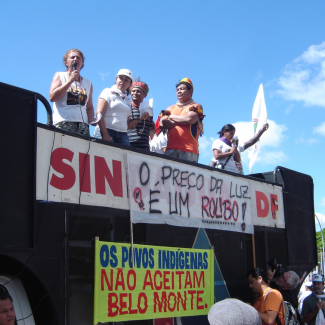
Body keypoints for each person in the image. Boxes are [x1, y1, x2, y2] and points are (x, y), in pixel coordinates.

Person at [50, 49, 95, 136]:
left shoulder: (88, 83)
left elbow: (89, 107)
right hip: (63, 122)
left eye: (78, 58)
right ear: (66, 62)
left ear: (82, 63)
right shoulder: (60, 76)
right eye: (72, 57)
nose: (75, 59)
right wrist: (70, 81)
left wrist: (91, 119)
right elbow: (52, 97)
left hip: (82, 125)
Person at [159, 78, 204, 163]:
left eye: (182, 89)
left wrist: (171, 117)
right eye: (177, 90)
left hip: (189, 150)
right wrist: (182, 120)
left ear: (190, 91)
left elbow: (189, 119)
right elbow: (163, 124)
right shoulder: (170, 108)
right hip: (170, 149)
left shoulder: (196, 106)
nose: (179, 91)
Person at [96, 69, 133, 145]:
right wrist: (105, 134)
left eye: (126, 80)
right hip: (107, 130)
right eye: (121, 78)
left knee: (124, 156)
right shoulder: (107, 91)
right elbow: (99, 113)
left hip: (123, 135)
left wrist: (139, 119)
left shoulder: (128, 101)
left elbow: (126, 122)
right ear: (116, 79)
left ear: (130, 84)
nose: (123, 81)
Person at [127, 79, 153, 151]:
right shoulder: (126, 106)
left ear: (145, 95)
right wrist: (139, 119)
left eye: (138, 91)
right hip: (128, 145)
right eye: (133, 91)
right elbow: (125, 126)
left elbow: (150, 128)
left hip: (144, 147)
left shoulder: (149, 110)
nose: (135, 93)